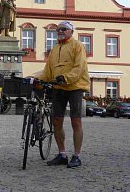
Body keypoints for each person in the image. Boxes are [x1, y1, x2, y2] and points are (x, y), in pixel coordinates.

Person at [37, 21, 90, 168]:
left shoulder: (78, 46)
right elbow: (48, 71)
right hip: (58, 87)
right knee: (57, 121)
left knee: (76, 121)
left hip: (75, 87)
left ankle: (77, 156)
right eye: (58, 30)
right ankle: (62, 154)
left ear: (71, 31)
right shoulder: (54, 49)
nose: (60, 31)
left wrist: (65, 78)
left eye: (64, 29)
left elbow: (79, 68)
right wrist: (38, 80)